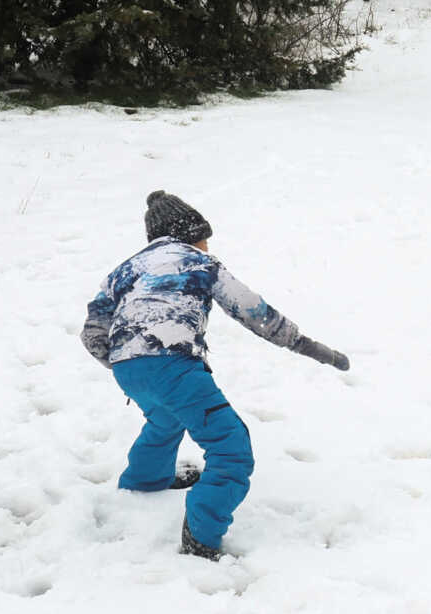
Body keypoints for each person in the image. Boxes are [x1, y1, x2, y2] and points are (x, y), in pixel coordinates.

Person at [80, 191, 349, 559]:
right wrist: (305, 344)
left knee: (166, 419)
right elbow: (253, 311)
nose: (208, 244)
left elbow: (92, 330)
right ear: (190, 234)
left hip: (128, 368)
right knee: (230, 447)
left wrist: (127, 362)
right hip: (172, 364)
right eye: (205, 236)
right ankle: (202, 535)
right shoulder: (199, 262)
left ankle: (144, 483)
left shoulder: (125, 269)